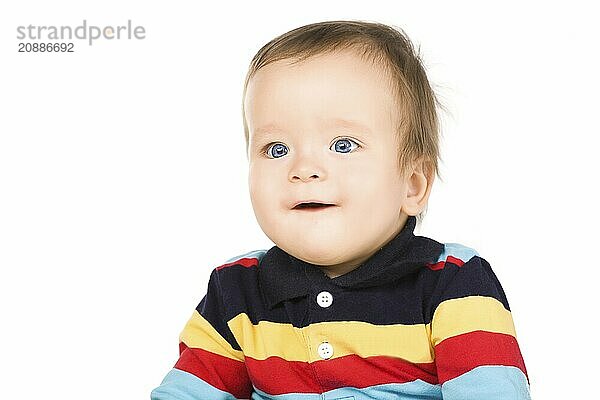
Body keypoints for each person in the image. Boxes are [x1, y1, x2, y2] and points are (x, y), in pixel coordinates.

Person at [151, 19, 531, 400]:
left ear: (413, 184)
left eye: (343, 144)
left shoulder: (454, 284)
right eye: (277, 149)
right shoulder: (236, 292)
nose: (304, 169)